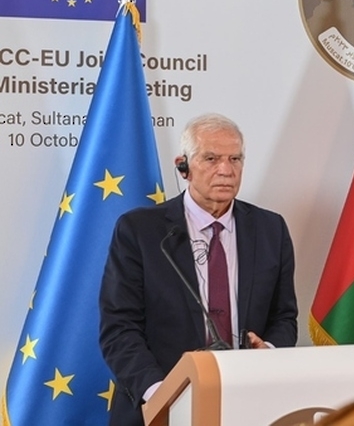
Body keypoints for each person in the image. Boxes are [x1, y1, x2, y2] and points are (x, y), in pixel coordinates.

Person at [99, 113, 298, 425]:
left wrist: (269, 352)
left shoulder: (270, 228)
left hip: (247, 404)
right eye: (211, 158)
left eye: (235, 158)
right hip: (158, 407)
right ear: (183, 166)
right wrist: (163, 394)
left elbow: (284, 316)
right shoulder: (141, 231)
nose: (226, 170)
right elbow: (120, 328)